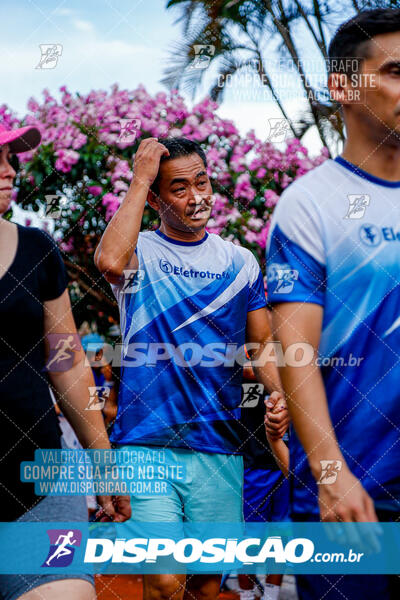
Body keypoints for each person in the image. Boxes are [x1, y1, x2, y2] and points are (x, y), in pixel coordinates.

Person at [95, 136, 290, 600]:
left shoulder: (240, 262)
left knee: (206, 583)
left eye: (201, 182)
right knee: (165, 581)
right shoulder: (140, 252)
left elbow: (260, 343)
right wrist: (140, 176)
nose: (196, 196)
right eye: (178, 188)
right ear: (157, 199)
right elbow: (107, 260)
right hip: (145, 442)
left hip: (218, 447)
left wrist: (277, 395)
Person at [266, 8, 400, 600]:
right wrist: (329, 473)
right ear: (343, 87)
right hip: (353, 495)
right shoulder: (309, 205)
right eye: (396, 70)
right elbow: (296, 351)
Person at [0, 123, 131, 600]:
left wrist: (103, 463)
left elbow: (67, 361)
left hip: (41, 481)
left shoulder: (37, 250)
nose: (9, 170)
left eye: (10, 158)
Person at [237, 357, 289, 600]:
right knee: (249, 538)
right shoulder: (247, 338)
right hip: (254, 462)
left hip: (289, 461)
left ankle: (271, 595)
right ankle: (246, 595)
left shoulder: (295, 338)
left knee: (282, 534)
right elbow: (246, 371)